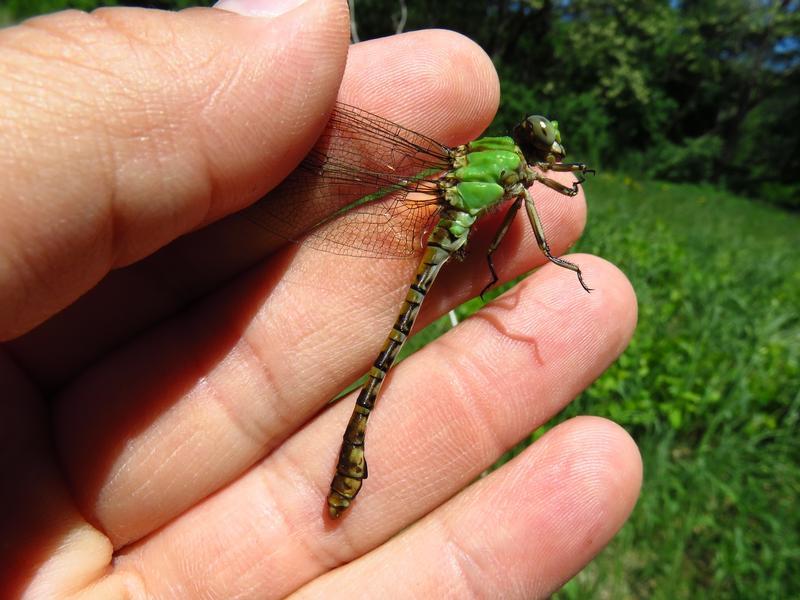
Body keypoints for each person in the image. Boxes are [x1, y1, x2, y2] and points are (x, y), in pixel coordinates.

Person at [0, 0, 641, 597]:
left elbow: (527, 211)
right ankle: (357, 436)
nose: (545, 150)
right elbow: (534, 211)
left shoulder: (502, 165)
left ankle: (356, 434)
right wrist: (548, 255)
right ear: (523, 153)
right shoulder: (516, 176)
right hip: (438, 236)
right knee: (390, 358)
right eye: (537, 145)